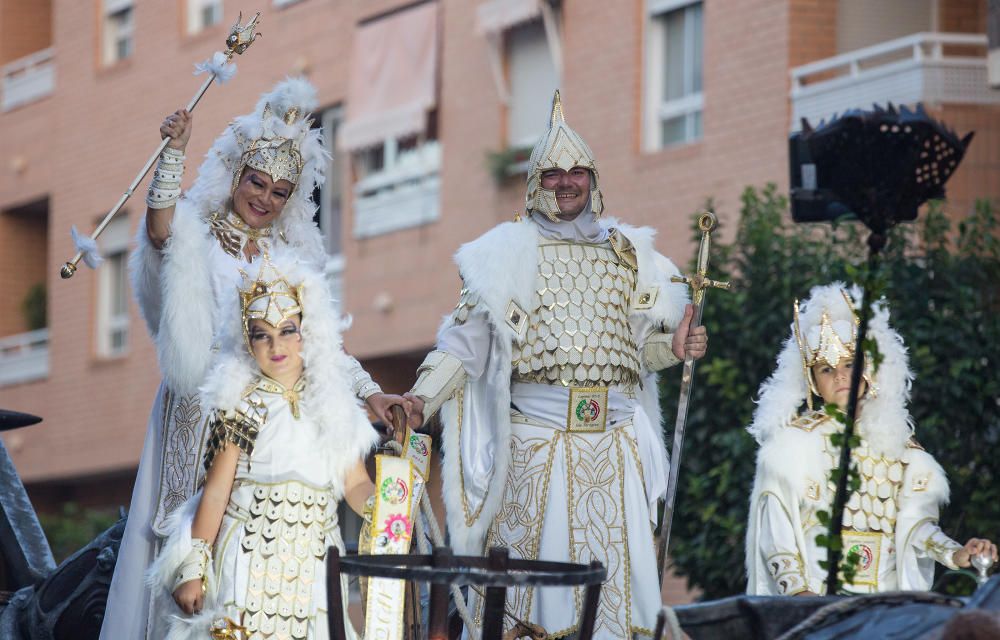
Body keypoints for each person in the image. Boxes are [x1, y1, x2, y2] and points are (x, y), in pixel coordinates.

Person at [102, 78, 405, 640]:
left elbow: (318, 346)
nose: (264, 198)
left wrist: (369, 393)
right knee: (182, 537)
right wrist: (173, 153)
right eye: (256, 182)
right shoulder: (197, 232)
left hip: (270, 414)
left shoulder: (288, 258)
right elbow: (159, 229)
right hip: (200, 409)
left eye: (279, 192)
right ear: (236, 176)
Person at [403, 91, 708, 638]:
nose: (566, 182)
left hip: (613, 456)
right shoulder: (505, 253)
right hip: (536, 451)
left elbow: (634, 355)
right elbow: (464, 345)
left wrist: (676, 348)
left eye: (577, 171)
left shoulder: (630, 255)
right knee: (533, 604)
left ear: (593, 178)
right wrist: (418, 400)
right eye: (552, 173)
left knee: (617, 607)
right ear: (534, 182)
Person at [148, 253, 380, 639]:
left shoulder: (333, 401)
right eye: (262, 334)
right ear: (247, 339)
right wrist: (192, 568)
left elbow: (355, 483)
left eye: (288, 330)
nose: (277, 345)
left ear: (309, 331)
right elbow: (217, 492)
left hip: (316, 562)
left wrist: (389, 507)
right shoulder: (239, 403)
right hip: (248, 558)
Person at [745, 283, 998, 596]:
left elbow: (915, 527)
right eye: (826, 368)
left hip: (884, 606)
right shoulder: (791, 447)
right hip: (817, 603)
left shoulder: (899, 445)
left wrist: (956, 554)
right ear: (812, 381)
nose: (840, 376)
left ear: (868, 368)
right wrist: (800, 597)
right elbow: (776, 532)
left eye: (850, 363)